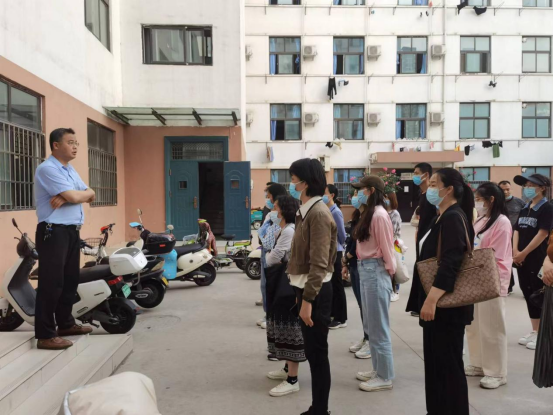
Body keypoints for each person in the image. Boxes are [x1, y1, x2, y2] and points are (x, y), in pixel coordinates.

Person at [417, 168, 475, 415]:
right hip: (439, 303)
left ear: (448, 189)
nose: (428, 188)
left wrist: (431, 300)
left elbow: (451, 261)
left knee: (448, 368)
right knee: (437, 367)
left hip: (446, 306)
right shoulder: (440, 217)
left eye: (433, 184)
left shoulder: (453, 217)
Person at [33, 128, 95, 350]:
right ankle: (45, 335)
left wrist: (73, 196)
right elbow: (75, 195)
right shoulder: (47, 169)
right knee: (51, 283)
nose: (75, 146)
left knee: (70, 280)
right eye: (70, 142)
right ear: (56, 145)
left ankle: (66, 324)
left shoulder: (69, 170)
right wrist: (72, 196)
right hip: (53, 232)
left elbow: (90, 193)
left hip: (71, 231)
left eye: (76, 142)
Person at [287, 158, 337, 415]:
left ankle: (320, 409)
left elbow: (319, 263)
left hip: (315, 292)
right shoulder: (305, 211)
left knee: (317, 355)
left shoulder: (317, 214)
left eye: (293, 179)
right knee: (313, 352)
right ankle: (318, 407)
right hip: (306, 290)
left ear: (305, 183)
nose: (291, 184)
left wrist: (307, 301)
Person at [465, 183, 512, 389]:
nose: (477, 203)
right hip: (475, 279)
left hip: (492, 280)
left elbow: (498, 256)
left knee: (492, 327)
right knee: (474, 326)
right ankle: (478, 363)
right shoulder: (482, 219)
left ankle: (496, 372)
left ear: (491, 199)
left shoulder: (502, 222)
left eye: (480, 199)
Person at [352, 175, 397, 392]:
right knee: (371, 325)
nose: (357, 194)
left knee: (379, 327)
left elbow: (387, 247)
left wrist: (390, 273)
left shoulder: (379, 215)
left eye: (360, 190)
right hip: (366, 268)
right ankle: (378, 369)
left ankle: (385, 376)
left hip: (375, 269)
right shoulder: (370, 213)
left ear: (370, 191)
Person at [265, 195, 306, 397]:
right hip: (284, 282)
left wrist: (267, 256)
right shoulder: (284, 228)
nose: (273, 210)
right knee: (281, 327)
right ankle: (287, 369)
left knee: (290, 328)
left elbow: (273, 257)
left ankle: (292, 379)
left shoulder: (289, 230)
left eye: (276, 207)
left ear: (284, 210)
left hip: (288, 285)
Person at [512, 174, 553, 350]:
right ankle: (535, 330)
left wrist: (524, 253)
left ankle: (543, 334)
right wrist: (515, 251)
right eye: (526, 185)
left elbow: (543, 233)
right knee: (528, 292)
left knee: (539, 294)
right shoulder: (525, 207)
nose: (527, 188)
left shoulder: (547, 208)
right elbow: (516, 230)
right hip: (521, 259)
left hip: (537, 258)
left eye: (531, 185)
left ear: (542, 188)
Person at [342, 191, 371, 359]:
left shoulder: (370, 217)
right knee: (362, 305)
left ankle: (371, 340)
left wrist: (347, 257)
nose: (354, 197)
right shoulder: (357, 215)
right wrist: (345, 262)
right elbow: (350, 240)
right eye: (353, 193)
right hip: (353, 264)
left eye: (358, 193)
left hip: (363, 265)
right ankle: (366, 336)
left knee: (367, 306)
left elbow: (359, 244)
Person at [407, 162, 437, 317]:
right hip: (421, 239)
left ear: (426, 175)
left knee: (425, 270)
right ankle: (417, 305)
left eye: (416, 173)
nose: (414, 176)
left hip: (429, 240)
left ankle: (423, 304)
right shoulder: (423, 194)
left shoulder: (432, 196)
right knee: (419, 268)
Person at [258, 183, 288, 333]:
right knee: (265, 285)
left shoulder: (278, 216)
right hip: (267, 251)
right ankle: (268, 314)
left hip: (273, 254)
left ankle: (272, 317)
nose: (268, 200)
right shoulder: (270, 213)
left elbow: (270, 238)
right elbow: (262, 233)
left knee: (272, 285)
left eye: (269, 197)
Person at [324, 184, 348, 329]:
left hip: (336, 251)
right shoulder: (327, 210)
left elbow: (342, 234)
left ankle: (341, 318)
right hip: (329, 251)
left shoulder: (336, 212)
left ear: (332, 195)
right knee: (331, 283)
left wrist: (340, 246)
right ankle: (333, 314)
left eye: (325, 193)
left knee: (337, 284)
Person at [499, 180, 526, 294]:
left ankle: (526, 286)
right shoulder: (496, 202)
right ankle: (509, 286)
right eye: (503, 190)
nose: (505, 192)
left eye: (507, 189)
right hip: (502, 236)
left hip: (517, 236)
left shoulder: (519, 202)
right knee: (505, 261)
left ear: (511, 189)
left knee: (519, 261)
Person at [385, 191, 402, 302]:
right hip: (387, 243)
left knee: (395, 268)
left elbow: (393, 231)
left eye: (386, 198)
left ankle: (396, 291)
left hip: (394, 244)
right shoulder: (383, 212)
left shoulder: (394, 213)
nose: (385, 200)